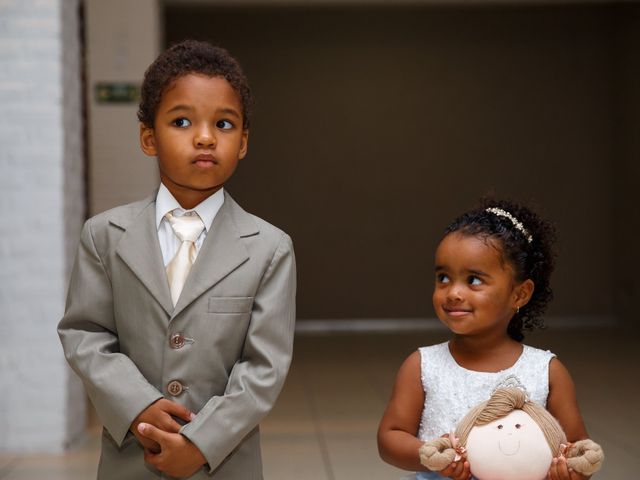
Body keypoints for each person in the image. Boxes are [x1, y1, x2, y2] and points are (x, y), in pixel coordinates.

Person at [58, 40, 296, 479]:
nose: (205, 136)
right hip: (132, 454)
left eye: (224, 124)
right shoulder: (104, 235)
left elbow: (264, 367)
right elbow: (85, 334)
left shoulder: (270, 247)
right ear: (149, 137)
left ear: (242, 143)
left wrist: (201, 442)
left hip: (225, 462)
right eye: (182, 121)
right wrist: (138, 406)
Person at [377, 199, 590, 480]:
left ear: (519, 294)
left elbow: (578, 450)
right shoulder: (422, 365)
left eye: (474, 280)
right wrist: (429, 454)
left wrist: (569, 470)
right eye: (443, 277)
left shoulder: (546, 371)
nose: (453, 292)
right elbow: (390, 438)